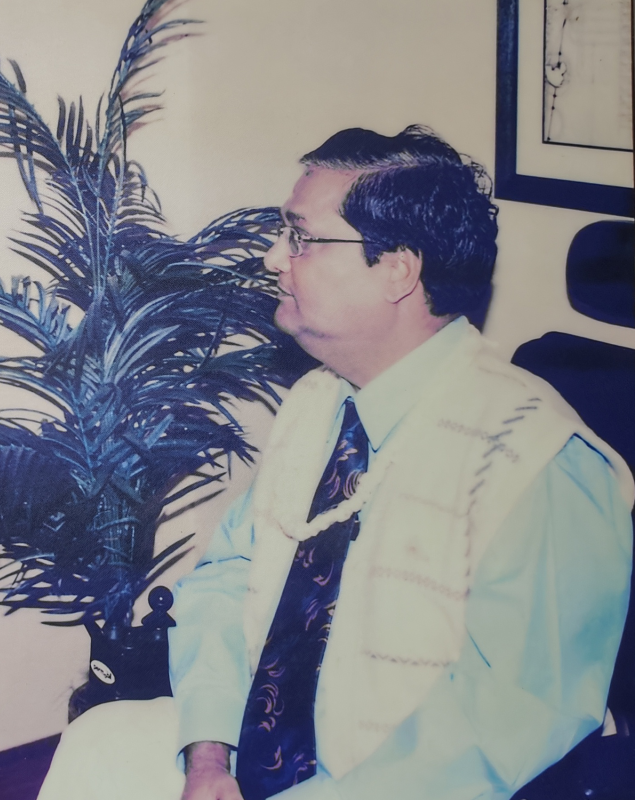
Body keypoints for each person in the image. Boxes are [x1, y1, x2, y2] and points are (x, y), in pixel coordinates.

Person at [36, 125, 634, 800]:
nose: (272, 258)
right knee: (98, 742)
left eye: (300, 237)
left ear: (398, 269)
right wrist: (208, 756)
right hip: (261, 755)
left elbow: (507, 725)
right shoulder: (320, 402)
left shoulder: (538, 462)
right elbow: (227, 581)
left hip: (402, 786)